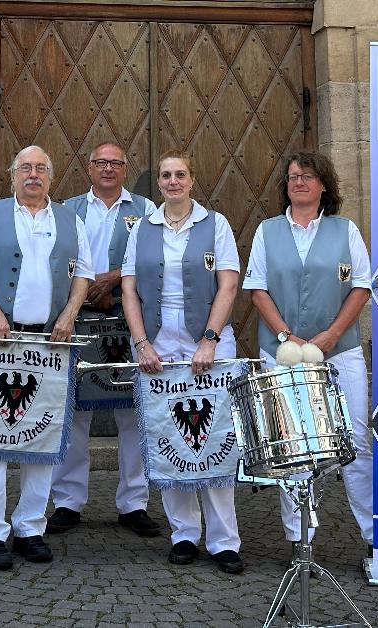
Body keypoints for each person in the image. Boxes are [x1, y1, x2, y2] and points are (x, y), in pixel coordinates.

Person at [0, 145, 93, 570]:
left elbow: (83, 275)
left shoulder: (71, 219)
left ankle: (31, 526)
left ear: (51, 176)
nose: (33, 174)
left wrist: (69, 315)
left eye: (41, 168)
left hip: (49, 344)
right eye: (25, 168)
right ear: (12, 174)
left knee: (42, 434)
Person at [243, 150, 373, 556]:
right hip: (281, 351)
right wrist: (287, 337)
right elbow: (257, 289)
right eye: (292, 176)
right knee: (293, 443)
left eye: (307, 176)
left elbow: (361, 287)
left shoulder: (345, 229)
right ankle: (300, 539)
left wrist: (331, 336)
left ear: (323, 185)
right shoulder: (267, 231)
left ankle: (373, 534)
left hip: (340, 350)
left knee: (356, 437)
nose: (298, 182)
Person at [122, 151, 244, 574]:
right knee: (170, 437)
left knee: (215, 438)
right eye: (165, 175)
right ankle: (184, 534)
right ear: (158, 182)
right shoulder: (142, 228)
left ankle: (224, 540)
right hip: (158, 340)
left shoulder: (216, 224)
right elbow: (129, 290)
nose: (173, 181)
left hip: (207, 338)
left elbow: (228, 285)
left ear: (192, 180)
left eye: (180, 174)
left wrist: (209, 340)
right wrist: (142, 344)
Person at [48, 142, 159, 538]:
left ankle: (134, 503)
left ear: (125, 169)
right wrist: (86, 289)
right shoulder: (67, 210)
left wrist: (113, 280)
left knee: (133, 412)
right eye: (101, 163)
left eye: (115, 163)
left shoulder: (147, 210)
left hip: (128, 321)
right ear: (89, 167)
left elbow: (152, 261)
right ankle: (68, 500)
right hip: (78, 318)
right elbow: (58, 259)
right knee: (75, 411)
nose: (108, 169)